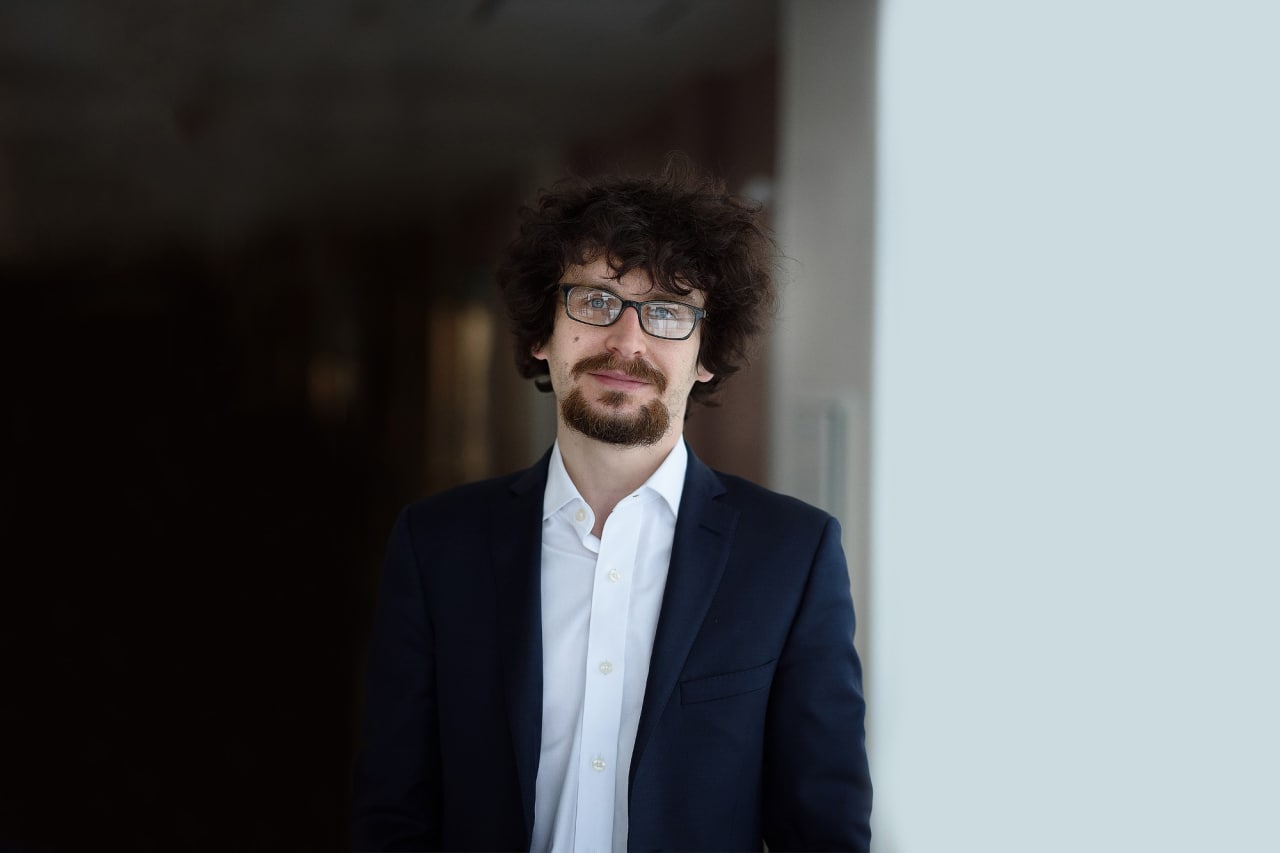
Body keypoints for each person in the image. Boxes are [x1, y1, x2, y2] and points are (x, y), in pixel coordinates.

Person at [352, 159, 872, 851]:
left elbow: (825, 833)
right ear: (541, 332)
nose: (627, 341)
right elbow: (393, 816)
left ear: (706, 352)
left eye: (668, 311)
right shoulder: (436, 545)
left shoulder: (792, 556)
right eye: (596, 301)